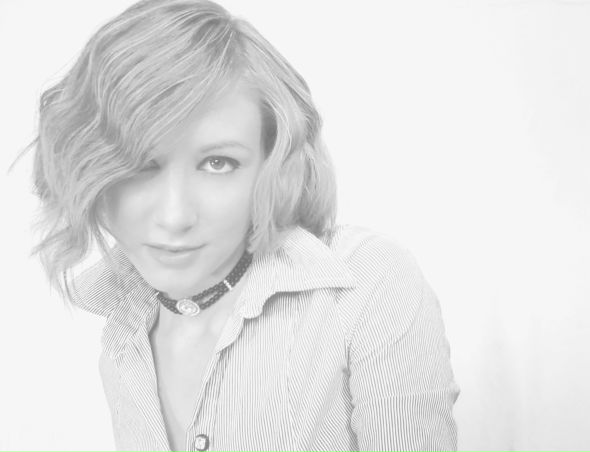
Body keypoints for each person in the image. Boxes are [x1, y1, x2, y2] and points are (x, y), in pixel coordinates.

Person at [27, 0, 459, 450]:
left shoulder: (366, 284)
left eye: (218, 163)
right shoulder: (124, 335)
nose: (175, 216)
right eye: (138, 165)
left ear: (273, 162)